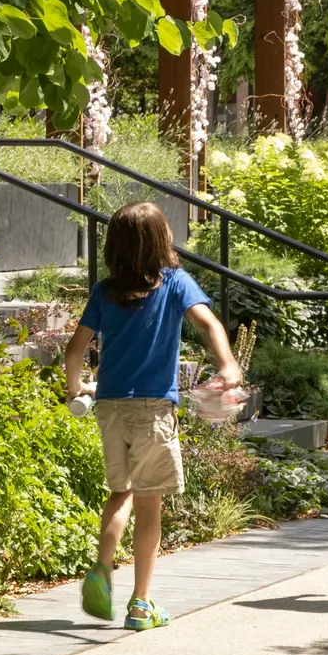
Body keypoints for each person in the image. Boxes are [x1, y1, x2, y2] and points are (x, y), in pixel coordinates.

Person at [61, 202, 241, 631]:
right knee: (149, 504)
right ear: (163, 241)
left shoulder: (105, 291)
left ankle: (102, 568)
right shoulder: (176, 283)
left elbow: (73, 350)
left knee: (119, 491)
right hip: (154, 410)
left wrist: (77, 387)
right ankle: (141, 604)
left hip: (109, 408)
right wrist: (228, 365)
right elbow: (209, 324)